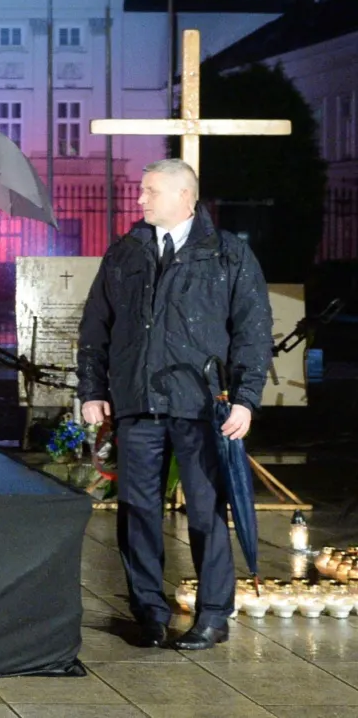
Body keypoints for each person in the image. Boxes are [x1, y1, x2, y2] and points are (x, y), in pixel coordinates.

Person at [78, 158, 273, 651]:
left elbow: (252, 332)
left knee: (206, 513)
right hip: (138, 404)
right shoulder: (125, 252)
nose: (139, 199)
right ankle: (148, 611)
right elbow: (95, 326)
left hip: (202, 405)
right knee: (137, 511)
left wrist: (246, 400)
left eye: (149, 191)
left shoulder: (227, 255)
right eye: (141, 191)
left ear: (186, 197)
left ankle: (212, 615)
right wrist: (93, 389)